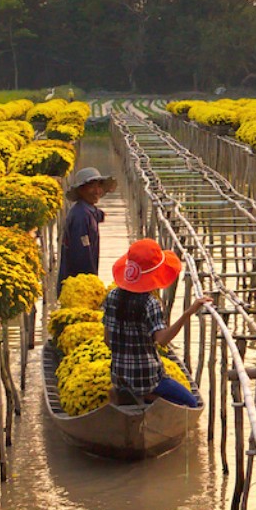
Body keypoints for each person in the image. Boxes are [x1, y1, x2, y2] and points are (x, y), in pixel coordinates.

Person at [103, 238, 209, 408]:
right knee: (191, 403)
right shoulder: (150, 303)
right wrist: (188, 313)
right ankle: (149, 396)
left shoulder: (112, 297)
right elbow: (162, 340)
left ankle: (132, 396)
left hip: (119, 377)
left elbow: (108, 341)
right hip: (149, 379)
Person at [58, 166, 113, 286]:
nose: (97, 191)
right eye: (92, 186)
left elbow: (96, 213)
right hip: (77, 282)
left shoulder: (88, 210)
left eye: (99, 186)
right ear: (81, 190)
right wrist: (91, 281)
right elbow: (82, 254)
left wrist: (101, 215)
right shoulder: (81, 216)